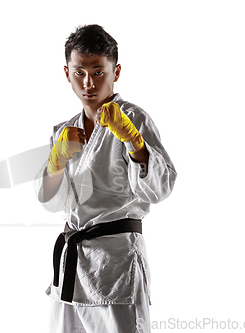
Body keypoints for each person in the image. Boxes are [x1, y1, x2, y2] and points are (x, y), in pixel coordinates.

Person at [35, 24, 176, 333]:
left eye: (98, 72)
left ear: (116, 71)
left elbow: (160, 188)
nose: (88, 83)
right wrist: (56, 162)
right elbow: (49, 202)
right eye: (79, 72)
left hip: (115, 264)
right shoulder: (63, 131)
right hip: (72, 266)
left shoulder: (133, 118)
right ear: (66, 72)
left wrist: (135, 142)